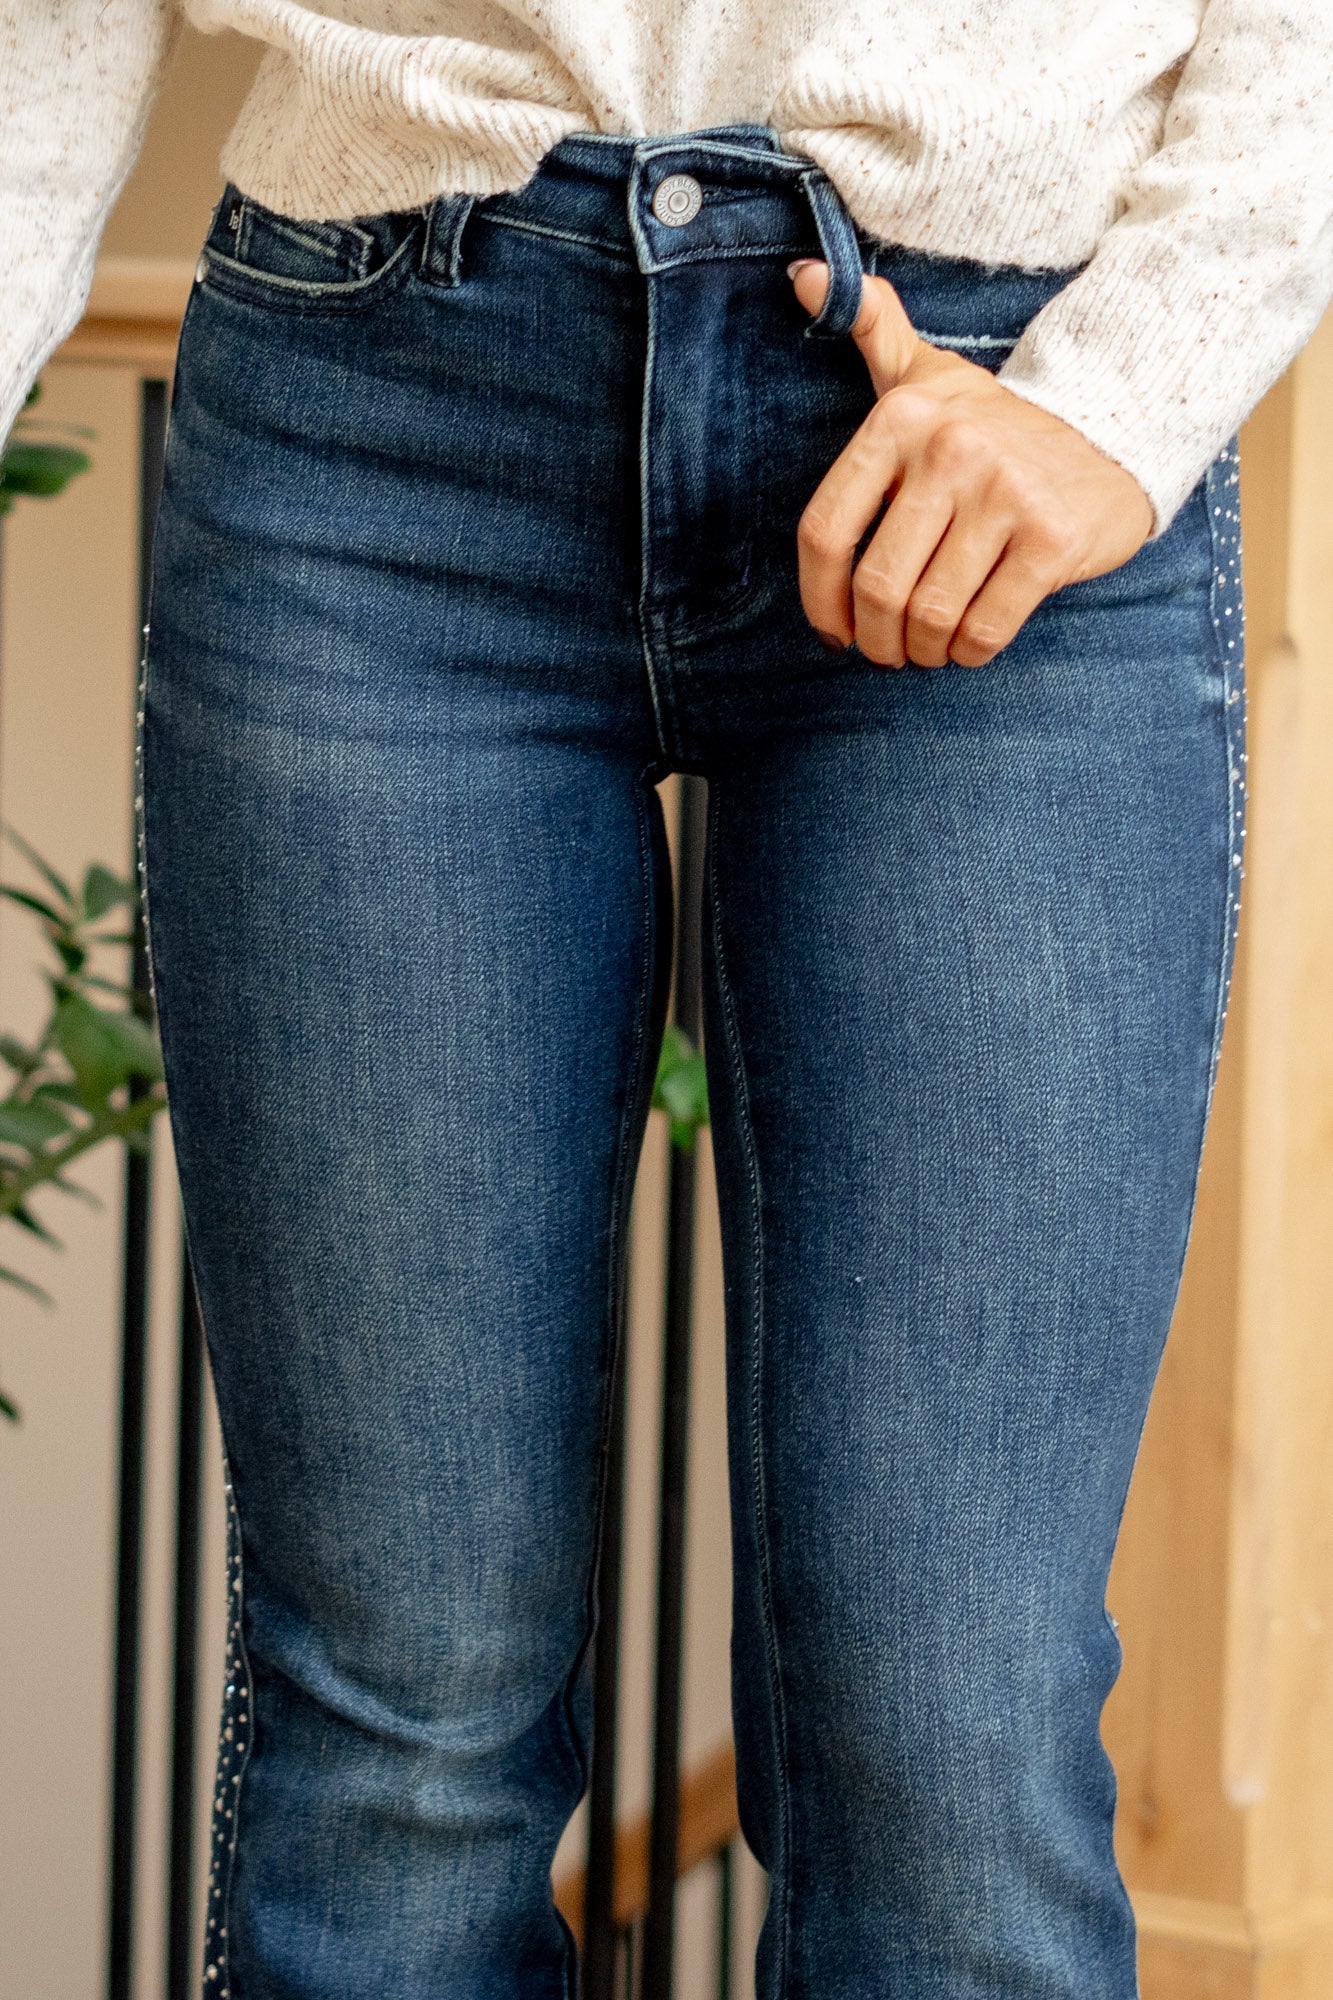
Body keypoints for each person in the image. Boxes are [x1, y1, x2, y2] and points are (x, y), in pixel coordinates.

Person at [3, 3, 1331, 1995]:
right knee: (398, 1733)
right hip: (380, 396)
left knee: (946, 1738)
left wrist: (1136, 384)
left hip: (995, 390)